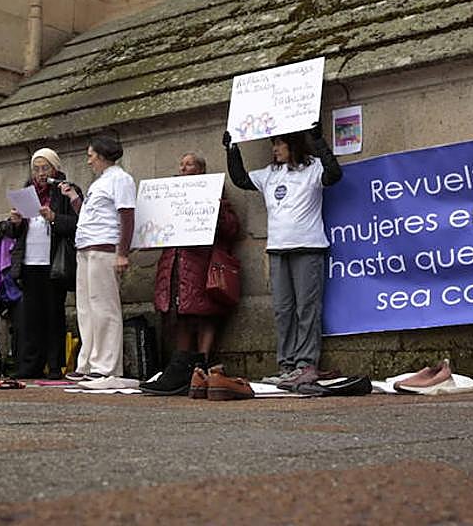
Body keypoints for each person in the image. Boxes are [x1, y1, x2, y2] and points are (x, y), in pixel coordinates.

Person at [225, 122, 342, 390]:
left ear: (293, 145)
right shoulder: (270, 173)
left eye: (279, 144)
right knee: (283, 310)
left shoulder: (313, 168)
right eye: (273, 145)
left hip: (308, 247)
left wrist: (318, 140)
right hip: (278, 249)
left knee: (306, 309)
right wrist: (232, 149)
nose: (275, 149)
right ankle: (286, 365)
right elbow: (241, 179)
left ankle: (305, 364)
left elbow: (335, 175)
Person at [142, 152, 241, 396]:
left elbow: (230, 228)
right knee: (180, 314)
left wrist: (214, 207)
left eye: (189, 164)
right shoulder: (173, 193)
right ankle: (181, 366)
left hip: (200, 261)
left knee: (205, 313)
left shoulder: (214, 192)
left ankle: (202, 366)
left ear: (200, 169)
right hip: (176, 262)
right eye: (182, 163)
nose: (183, 168)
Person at [59, 136, 136, 381]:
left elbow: (127, 216)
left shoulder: (121, 179)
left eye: (91, 155)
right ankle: (88, 363)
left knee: (104, 307)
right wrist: (73, 197)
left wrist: (122, 253)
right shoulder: (99, 183)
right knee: (86, 308)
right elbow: (89, 215)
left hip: (104, 249)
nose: (89, 160)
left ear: (102, 156)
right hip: (85, 248)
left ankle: (107, 365)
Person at [1, 147, 81, 379]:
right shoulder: (27, 193)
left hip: (54, 263)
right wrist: (15, 223)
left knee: (53, 315)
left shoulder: (66, 192)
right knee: (30, 317)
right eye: (36, 169)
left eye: (45, 168)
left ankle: (54, 366)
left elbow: (77, 224)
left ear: (55, 168)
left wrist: (54, 218)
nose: (40, 173)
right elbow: (12, 232)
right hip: (29, 262)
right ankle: (30, 365)